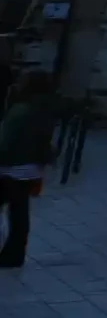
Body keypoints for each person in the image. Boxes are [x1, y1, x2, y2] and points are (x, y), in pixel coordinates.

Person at [0, 70, 61, 271]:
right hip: (31, 168)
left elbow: (6, 142)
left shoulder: (21, 111)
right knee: (19, 212)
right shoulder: (45, 109)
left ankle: (12, 254)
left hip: (11, 167)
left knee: (16, 211)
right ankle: (15, 254)